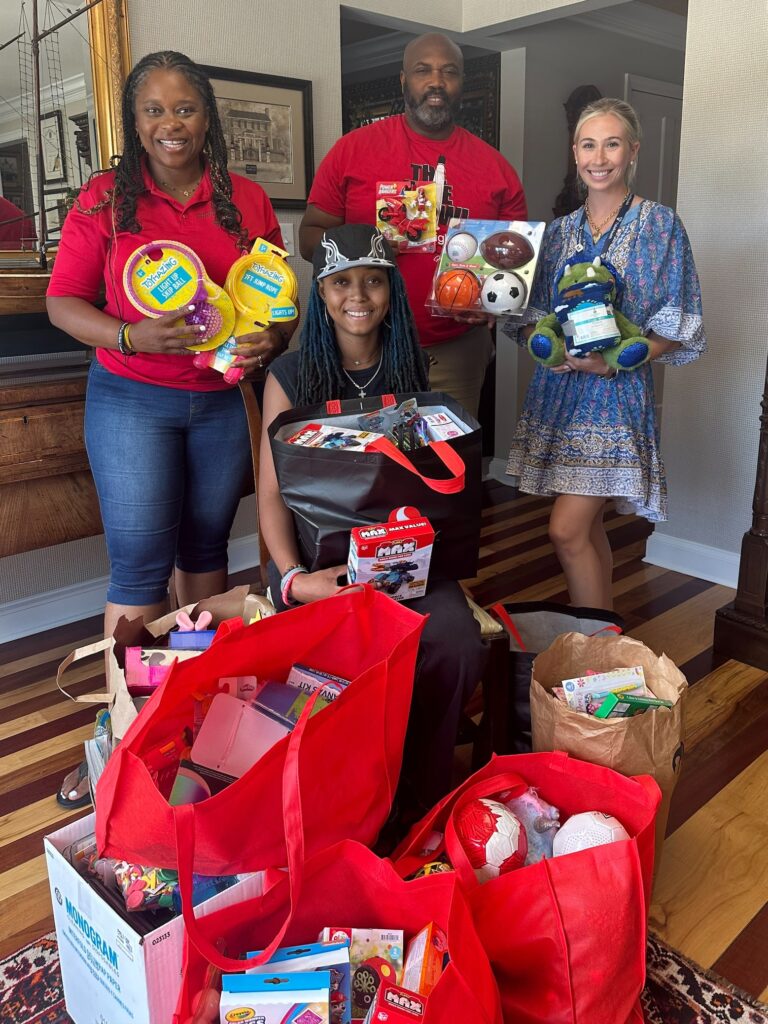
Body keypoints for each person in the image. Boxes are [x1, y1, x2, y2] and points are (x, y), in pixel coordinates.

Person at [46, 51, 296, 807]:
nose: (170, 124)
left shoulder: (245, 199)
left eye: (183, 108)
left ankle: (193, 724)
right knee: (138, 573)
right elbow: (62, 303)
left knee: (204, 559)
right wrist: (129, 336)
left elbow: (274, 305)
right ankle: (123, 737)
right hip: (132, 402)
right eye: (153, 110)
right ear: (135, 122)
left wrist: (268, 343)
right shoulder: (104, 199)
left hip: (220, 406)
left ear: (206, 115)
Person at [260, 222, 488, 813]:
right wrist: (293, 580)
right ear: (322, 291)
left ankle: (422, 790)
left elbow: (429, 485)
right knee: (357, 665)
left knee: (458, 645)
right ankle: (357, 795)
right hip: (318, 563)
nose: (356, 295)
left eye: (372, 281)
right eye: (340, 282)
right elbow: (270, 497)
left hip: (402, 558)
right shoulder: (289, 376)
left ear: (391, 291)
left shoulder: (412, 367)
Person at [505, 98, 706, 609]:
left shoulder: (660, 226)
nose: (600, 157)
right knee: (586, 530)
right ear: (575, 153)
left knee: (565, 530)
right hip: (559, 397)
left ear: (632, 151)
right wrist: (541, 347)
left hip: (615, 401)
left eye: (612, 143)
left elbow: (680, 326)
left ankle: (591, 646)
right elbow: (531, 319)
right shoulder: (556, 233)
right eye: (589, 144)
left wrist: (612, 360)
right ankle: (601, 636)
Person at [299, 32, 527, 418]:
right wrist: (363, 251)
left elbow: (513, 262)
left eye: (448, 72)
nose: (436, 82)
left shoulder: (496, 168)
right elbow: (310, 237)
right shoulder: (353, 150)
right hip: (366, 343)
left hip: (455, 348)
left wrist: (494, 306)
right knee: (367, 460)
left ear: (461, 83)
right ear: (404, 79)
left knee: (447, 462)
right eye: (423, 71)